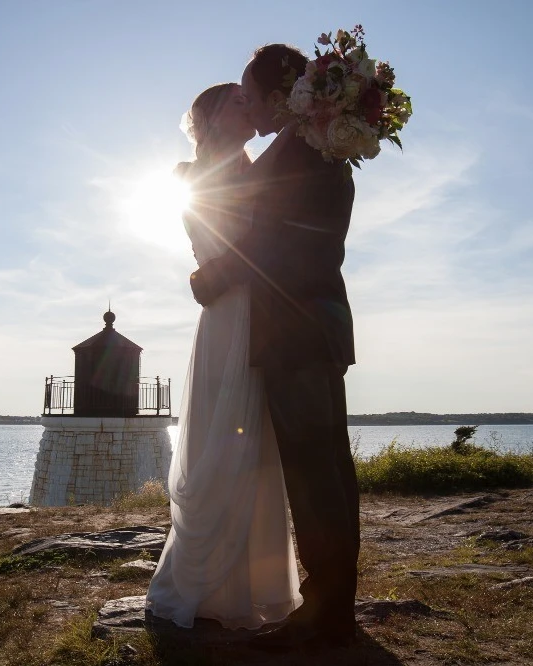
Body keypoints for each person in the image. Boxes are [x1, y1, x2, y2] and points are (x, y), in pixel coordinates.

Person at [189, 44, 360, 650]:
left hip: (294, 331)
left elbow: (265, 248)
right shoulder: (314, 147)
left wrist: (205, 280)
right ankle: (335, 605)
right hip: (318, 326)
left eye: (249, 92)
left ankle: (327, 613)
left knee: (316, 474)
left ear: (278, 92)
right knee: (330, 469)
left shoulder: (297, 153)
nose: (249, 105)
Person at [145, 82, 303, 631]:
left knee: (259, 451)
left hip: (263, 315)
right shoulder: (189, 175)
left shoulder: (263, 166)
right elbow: (235, 238)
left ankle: (253, 587)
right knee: (220, 443)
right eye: (236, 100)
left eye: (248, 98)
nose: (249, 104)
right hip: (227, 318)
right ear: (210, 116)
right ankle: (201, 584)